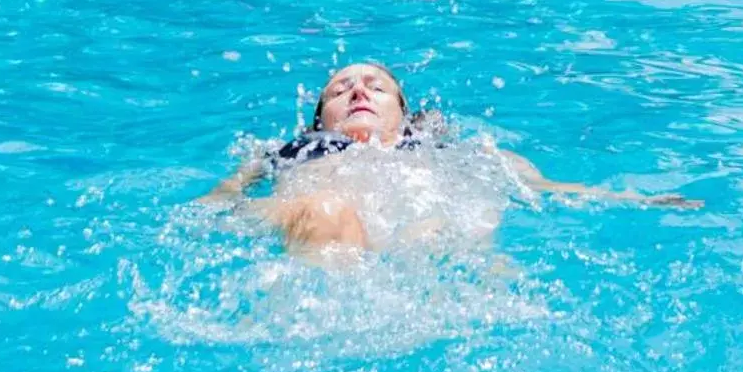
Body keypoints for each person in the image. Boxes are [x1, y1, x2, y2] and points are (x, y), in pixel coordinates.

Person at [201, 61, 701, 253]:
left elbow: (548, 191)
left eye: (377, 88)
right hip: (316, 221)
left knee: (443, 227)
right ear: (319, 119)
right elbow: (218, 204)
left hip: (419, 234)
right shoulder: (286, 151)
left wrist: (636, 200)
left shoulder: (456, 152)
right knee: (327, 210)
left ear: (403, 111)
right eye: (340, 90)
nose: (358, 93)